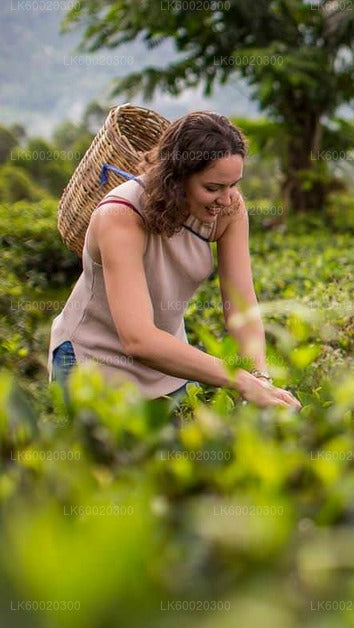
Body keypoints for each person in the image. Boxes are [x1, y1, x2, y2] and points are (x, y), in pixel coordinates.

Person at [48, 111, 300, 409]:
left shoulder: (228, 208)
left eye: (233, 184)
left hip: (168, 362)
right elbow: (138, 339)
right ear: (176, 179)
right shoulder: (120, 216)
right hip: (94, 363)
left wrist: (261, 378)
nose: (227, 197)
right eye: (212, 188)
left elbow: (240, 306)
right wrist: (240, 380)